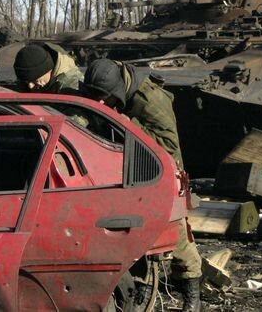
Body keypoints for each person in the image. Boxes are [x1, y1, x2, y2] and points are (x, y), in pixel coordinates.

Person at [82, 59, 202, 312]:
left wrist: (124, 123)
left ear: (117, 90)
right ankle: (145, 288)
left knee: (176, 235)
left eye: (105, 97)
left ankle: (192, 295)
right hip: (131, 173)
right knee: (137, 235)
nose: (101, 103)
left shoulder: (150, 101)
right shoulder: (117, 95)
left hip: (163, 175)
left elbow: (169, 148)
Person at [13, 43, 82, 94]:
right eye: (27, 81)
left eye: (35, 80)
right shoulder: (35, 83)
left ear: (48, 71)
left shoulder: (71, 86)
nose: (30, 86)